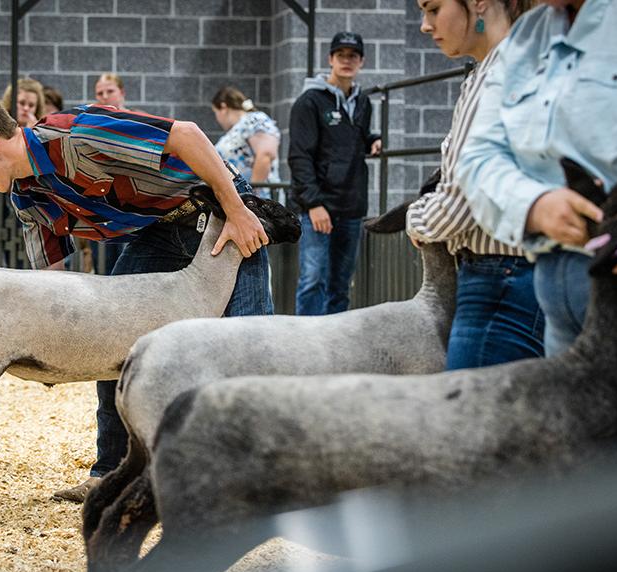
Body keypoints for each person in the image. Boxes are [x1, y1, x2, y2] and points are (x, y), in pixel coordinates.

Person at [0, 94, 273, 503]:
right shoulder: (26, 197)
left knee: (248, 343)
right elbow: (49, 285)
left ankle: (259, 476)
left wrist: (235, 209)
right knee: (112, 341)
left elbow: (187, 136)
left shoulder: (77, 134)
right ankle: (110, 474)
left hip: (220, 210)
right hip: (159, 231)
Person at [456, 5, 617, 572]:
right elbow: (479, 158)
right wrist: (532, 202)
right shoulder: (527, 37)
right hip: (563, 304)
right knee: (578, 507)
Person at [406, 0, 541, 370]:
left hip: (502, 278)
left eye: (434, 9)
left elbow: (464, 196)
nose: (425, 25)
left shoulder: (501, 72)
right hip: (504, 275)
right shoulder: (495, 70)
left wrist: (416, 219)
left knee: (477, 421)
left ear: (479, 3)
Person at [288, 31, 383, 316]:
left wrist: (372, 139)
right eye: (340, 55)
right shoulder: (310, 102)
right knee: (312, 280)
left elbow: (356, 136)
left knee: (341, 285)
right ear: (330, 59)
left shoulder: (363, 102)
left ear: (361, 61)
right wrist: (314, 204)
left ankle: (335, 348)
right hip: (319, 206)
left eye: (352, 56)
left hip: (351, 206)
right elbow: (299, 156)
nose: (346, 61)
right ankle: (306, 346)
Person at [211, 86, 281, 200]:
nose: (217, 119)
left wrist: (252, 196)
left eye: (216, 112)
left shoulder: (255, 119)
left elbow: (266, 155)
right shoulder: (237, 128)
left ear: (223, 107)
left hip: (259, 200)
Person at [91, 72, 130, 274]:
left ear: (121, 92)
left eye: (110, 91)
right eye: (100, 93)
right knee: (105, 265)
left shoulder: (136, 119)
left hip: (133, 200)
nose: (105, 96)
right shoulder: (93, 124)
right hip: (104, 201)